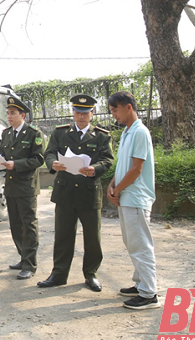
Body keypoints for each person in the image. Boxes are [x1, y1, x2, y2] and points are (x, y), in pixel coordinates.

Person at [38, 94, 114, 292]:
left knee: (92, 237)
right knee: (63, 235)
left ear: (92, 113)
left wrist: (95, 168)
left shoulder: (101, 135)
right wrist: (52, 164)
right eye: (78, 112)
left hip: (89, 191)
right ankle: (59, 274)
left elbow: (107, 159)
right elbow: (49, 152)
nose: (81, 116)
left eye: (85, 113)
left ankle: (91, 274)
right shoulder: (61, 133)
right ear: (73, 112)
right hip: (65, 190)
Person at [106, 91, 159, 310]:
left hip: (136, 197)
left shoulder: (139, 132)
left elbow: (137, 169)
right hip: (126, 196)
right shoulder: (127, 132)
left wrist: (117, 190)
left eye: (115, 110)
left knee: (140, 244)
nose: (114, 115)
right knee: (132, 242)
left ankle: (149, 294)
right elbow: (124, 166)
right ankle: (140, 284)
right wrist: (112, 184)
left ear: (129, 107)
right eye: (111, 111)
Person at [0, 96, 45, 279]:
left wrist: (15, 164)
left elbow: (38, 159)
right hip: (11, 186)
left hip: (26, 187)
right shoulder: (7, 133)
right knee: (15, 225)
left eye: (13, 113)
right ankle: (23, 256)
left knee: (29, 225)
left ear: (22, 115)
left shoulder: (34, 133)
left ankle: (30, 264)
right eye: (8, 113)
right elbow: (2, 153)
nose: (9, 116)